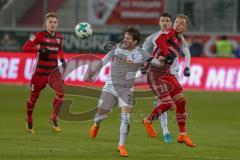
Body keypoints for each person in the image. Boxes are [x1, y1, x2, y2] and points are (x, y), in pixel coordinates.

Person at [85, 27, 163, 157]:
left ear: (135, 41)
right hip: (110, 87)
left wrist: (163, 60)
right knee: (101, 114)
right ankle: (96, 124)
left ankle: (121, 146)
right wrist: (93, 72)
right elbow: (104, 60)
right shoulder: (116, 48)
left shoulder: (142, 53)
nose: (124, 40)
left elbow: (156, 63)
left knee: (126, 119)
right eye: (124, 37)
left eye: (128, 38)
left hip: (126, 89)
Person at [143, 14, 196, 147]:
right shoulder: (169, 32)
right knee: (167, 104)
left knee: (181, 101)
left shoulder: (180, 38)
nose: (178, 25)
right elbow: (159, 40)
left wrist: (187, 67)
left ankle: (182, 135)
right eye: (177, 22)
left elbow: (187, 53)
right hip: (156, 73)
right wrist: (167, 54)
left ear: (185, 27)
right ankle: (148, 121)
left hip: (168, 73)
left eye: (181, 24)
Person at [22, 12, 66, 134]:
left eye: (55, 22)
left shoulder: (59, 37)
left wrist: (62, 59)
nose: (53, 24)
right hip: (40, 73)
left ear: (57, 24)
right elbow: (25, 47)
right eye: (50, 22)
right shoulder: (38, 35)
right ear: (46, 23)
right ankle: (29, 118)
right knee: (33, 98)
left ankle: (54, 117)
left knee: (61, 93)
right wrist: (39, 48)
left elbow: (59, 48)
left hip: (53, 72)